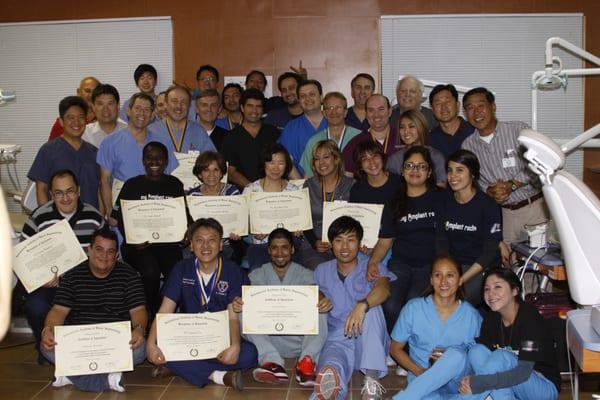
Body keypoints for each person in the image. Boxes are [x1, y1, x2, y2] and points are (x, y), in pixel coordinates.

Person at [146, 218, 257, 390]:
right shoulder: (181, 269)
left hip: (221, 339)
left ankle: (184, 368)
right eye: (199, 240)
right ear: (191, 245)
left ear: (221, 245)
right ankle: (217, 375)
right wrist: (150, 344)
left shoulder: (233, 270)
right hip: (189, 336)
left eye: (212, 240)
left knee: (249, 354)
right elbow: (164, 311)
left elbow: (233, 317)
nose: (206, 246)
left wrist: (235, 345)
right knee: (162, 348)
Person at [40, 228, 147, 393]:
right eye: (99, 249)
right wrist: (48, 330)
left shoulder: (129, 275)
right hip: (79, 341)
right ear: (88, 250)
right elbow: (58, 311)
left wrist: (139, 329)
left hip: (113, 342)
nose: (104, 256)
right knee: (46, 345)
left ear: (117, 255)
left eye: (110, 251)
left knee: (140, 350)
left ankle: (70, 374)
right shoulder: (72, 274)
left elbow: (138, 310)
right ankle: (109, 378)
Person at [21, 170, 104, 364]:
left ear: (79, 191)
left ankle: (84, 350)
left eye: (70, 191)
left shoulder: (94, 217)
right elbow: (23, 259)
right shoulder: (39, 218)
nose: (65, 198)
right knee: (35, 306)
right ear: (51, 194)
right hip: (50, 285)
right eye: (59, 193)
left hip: (85, 283)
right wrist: (40, 279)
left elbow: (106, 252)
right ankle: (45, 347)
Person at [232, 228, 331, 386]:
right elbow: (244, 300)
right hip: (267, 339)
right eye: (275, 248)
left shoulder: (305, 273)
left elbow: (316, 291)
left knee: (320, 309)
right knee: (241, 309)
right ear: (269, 250)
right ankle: (272, 363)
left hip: (299, 340)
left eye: (284, 247)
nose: (280, 253)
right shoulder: (256, 274)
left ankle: (307, 362)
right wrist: (238, 303)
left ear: (292, 249)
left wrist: (322, 299)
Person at [311, 216, 395, 400]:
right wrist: (320, 297)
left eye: (351, 240)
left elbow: (384, 289)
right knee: (331, 368)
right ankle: (330, 388)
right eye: (339, 241)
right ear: (331, 244)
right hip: (338, 339)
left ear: (359, 243)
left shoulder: (372, 266)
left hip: (368, 340)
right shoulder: (321, 270)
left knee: (372, 309)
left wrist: (362, 305)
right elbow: (312, 292)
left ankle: (372, 381)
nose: (345, 247)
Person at [367, 146, 441, 332]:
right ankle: (396, 346)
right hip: (401, 263)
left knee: (412, 305)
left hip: (430, 265)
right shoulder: (394, 202)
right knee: (390, 305)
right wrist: (373, 262)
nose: (415, 170)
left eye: (421, 166)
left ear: (429, 171)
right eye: (409, 166)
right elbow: (385, 241)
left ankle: (410, 351)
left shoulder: (441, 198)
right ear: (402, 171)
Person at [461, 87, 547, 244]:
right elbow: (473, 180)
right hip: (505, 215)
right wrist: (489, 190)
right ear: (465, 115)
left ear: (493, 107)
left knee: (541, 262)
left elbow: (538, 162)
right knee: (511, 264)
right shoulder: (467, 145)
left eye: (481, 105)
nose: (476, 112)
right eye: (470, 108)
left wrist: (512, 185)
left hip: (535, 207)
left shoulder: (518, 130)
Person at [389, 255, 482, 400]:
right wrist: (418, 371)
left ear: (459, 280)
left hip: (456, 384)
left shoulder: (472, 315)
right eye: (438, 275)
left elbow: (478, 356)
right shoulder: (414, 308)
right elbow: (395, 349)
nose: (443, 281)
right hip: (422, 379)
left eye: (450, 275)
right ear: (431, 280)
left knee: (456, 355)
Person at [459, 268, 560, 400]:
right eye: (487, 289)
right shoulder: (491, 319)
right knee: (476, 352)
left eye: (497, 287)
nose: (491, 294)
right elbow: (485, 365)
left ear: (514, 291)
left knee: (502, 356)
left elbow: (523, 373)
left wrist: (478, 382)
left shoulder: (530, 319)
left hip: (541, 387)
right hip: (510, 387)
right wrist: (468, 381)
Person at [113, 141, 187, 316]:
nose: (154, 162)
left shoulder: (174, 184)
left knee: (174, 271)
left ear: (166, 161)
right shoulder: (132, 185)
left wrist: (186, 234)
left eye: (159, 158)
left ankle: (164, 313)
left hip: (168, 244)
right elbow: (120, 218)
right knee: (150, 272)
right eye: (149, 158)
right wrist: (133, 238)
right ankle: (148, 313)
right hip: (138, 245)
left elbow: (184, 215)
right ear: (143, 161)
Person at [436, 149, 502, 306]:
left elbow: (489, 252)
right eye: (449, 171)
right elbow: (441, 240)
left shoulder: (488, 205)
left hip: (480, 268)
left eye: (460, 170)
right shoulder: (444, 202)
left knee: (456, 301)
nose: (453, 176)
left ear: (472, 174)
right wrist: (446, 273)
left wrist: (461, 279)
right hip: (454, 266)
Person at [29, 96, 101, 210]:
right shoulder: (48, 150)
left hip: (90, 221)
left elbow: (99, 191)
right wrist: (48, 219)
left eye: (81, 117)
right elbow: (41, 189)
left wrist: (100, 219)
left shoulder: (95, 152)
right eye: (70, 117)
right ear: (61, 122)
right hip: (59, 221)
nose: (76, 121)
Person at [242, 144, 300, 270]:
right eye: (271, 163)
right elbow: (242, 222)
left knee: (294, 271)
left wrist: (298, 228)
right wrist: (253, 231)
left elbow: (298, 221)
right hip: (260, 245)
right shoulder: (250, 190)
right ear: (264, 164)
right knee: (259, 270)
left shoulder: (294, 191)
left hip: (288, 246)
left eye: (280, 163)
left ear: (287, 166)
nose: (275, 168)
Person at [299, 140, 354, 270]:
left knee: (346, 271)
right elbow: (304, 220)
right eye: (317, 159)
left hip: (344, 243)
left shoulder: (352, 185)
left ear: (336, 159)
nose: (321, 163)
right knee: (320, 269)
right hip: (315, 245)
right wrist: (315, 242)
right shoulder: (309, 185)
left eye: (326, 157)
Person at [187, 151, 242, 262]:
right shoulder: (192, 196)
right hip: (200, 245)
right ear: (199, 174)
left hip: (225, 244)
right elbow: (191, 226)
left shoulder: (232, 192)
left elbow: (239, 220)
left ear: (222, 173)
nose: (211, 175)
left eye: (216, 170)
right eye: (206, 170)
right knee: (187, 259)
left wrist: (238, 233)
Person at [221, 88, 280, 188]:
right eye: (250, 106)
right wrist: (253, 188)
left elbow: (282, 163)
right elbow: (230, 171)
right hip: (242, 194)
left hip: (272, 192)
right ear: (242, 108)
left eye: (258, 106)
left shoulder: (274, 133)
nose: (254, 110)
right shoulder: (230, 137)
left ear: (263, 109)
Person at [300, 92, 362, 178]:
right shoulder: (314, 141)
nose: (334, 112)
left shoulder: (359, 137)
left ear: (345, 112)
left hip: (354, 188)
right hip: (323, 189)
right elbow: (309, 175)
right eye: (330, 108)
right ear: (324, 113)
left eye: (338, 107)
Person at [278, 79, 328, 176]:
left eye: (312, 94)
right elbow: (286, 161)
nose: (308, 99)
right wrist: (301, 186)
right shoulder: (291, 128)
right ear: (299, 101)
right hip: (301, 184)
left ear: (321, 98)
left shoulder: (334, 122)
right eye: (303, 96)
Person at [148, 84, 216, 155]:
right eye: (174, 101)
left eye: (183, 102)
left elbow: (211, 161)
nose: (179, 106)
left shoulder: (199, 131)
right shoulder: (151, 131)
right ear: (166, 104)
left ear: (189, 105)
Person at [342, 94, 401, 175]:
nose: (376, 115)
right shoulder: (355, 143)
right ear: (366, 114)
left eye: (381, 109)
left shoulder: (403, 138)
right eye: (371, 110)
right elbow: (347, 176)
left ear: (389, 112)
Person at [386, 109, 447, 187]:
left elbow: (441, 187)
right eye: (402, 127)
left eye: (411, 126)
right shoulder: (394, 159)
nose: (406, 131)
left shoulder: (436, 156)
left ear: (422, 127)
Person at [428, 84, 474, 159]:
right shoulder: (430, 139)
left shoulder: (474, 131)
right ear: (432, 110)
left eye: (448, 101)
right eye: (438, 103)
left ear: (458, 105)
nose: (444, 107)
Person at [48, 76, 100, 141]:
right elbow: (53, 147)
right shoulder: (65, 121)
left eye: (95, 92)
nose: (91, 95)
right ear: (78, 92)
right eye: (87, 91)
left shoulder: (104, 118)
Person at [349, 140, 399, 207]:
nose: (371, 162)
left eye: (375, 156)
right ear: (360, 166)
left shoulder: (400, 183)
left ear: (382, 158)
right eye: (365, 159)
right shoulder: (357, 191)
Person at [82, 83, 127, 148]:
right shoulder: (84, 134)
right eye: (100, 104)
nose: (105, 108)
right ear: (93, 107)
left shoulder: (129, 132)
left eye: (110, 103)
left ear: (118, 105)